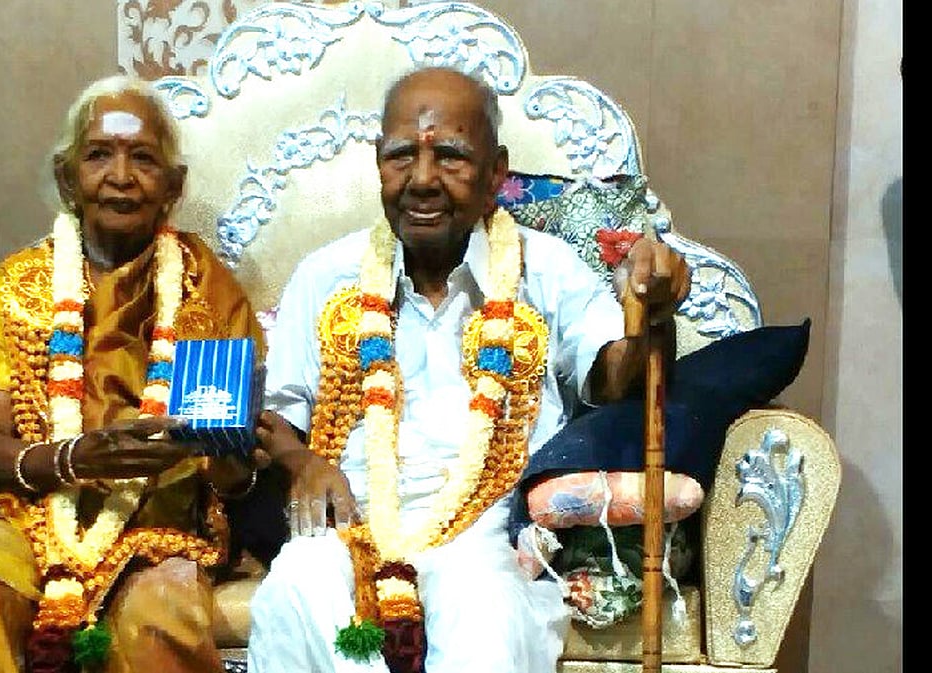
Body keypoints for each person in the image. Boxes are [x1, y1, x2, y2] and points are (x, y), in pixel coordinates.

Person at [246, 66, 690, 673]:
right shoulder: (326, 276)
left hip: (485, 527)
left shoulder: (546, 270)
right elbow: (275, 414)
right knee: (297, 585)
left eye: (451, 156)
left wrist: (648, 314)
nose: (422, 180)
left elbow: (613, 375)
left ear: (496, 173)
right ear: (379, 162)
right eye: (402, 155)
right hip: (349, 522)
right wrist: (303, 461)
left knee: (486, 623)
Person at [0, 74, 266, 673]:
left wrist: (226, 457)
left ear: (173, 188)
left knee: (159, 613)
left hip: (157, 524)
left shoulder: (206, 289)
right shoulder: (19, 284)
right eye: (99, 155)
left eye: (144, 159)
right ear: (67, 179)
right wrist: (78, 458)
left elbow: (232, 464)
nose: (121, 176)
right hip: (25, 514)